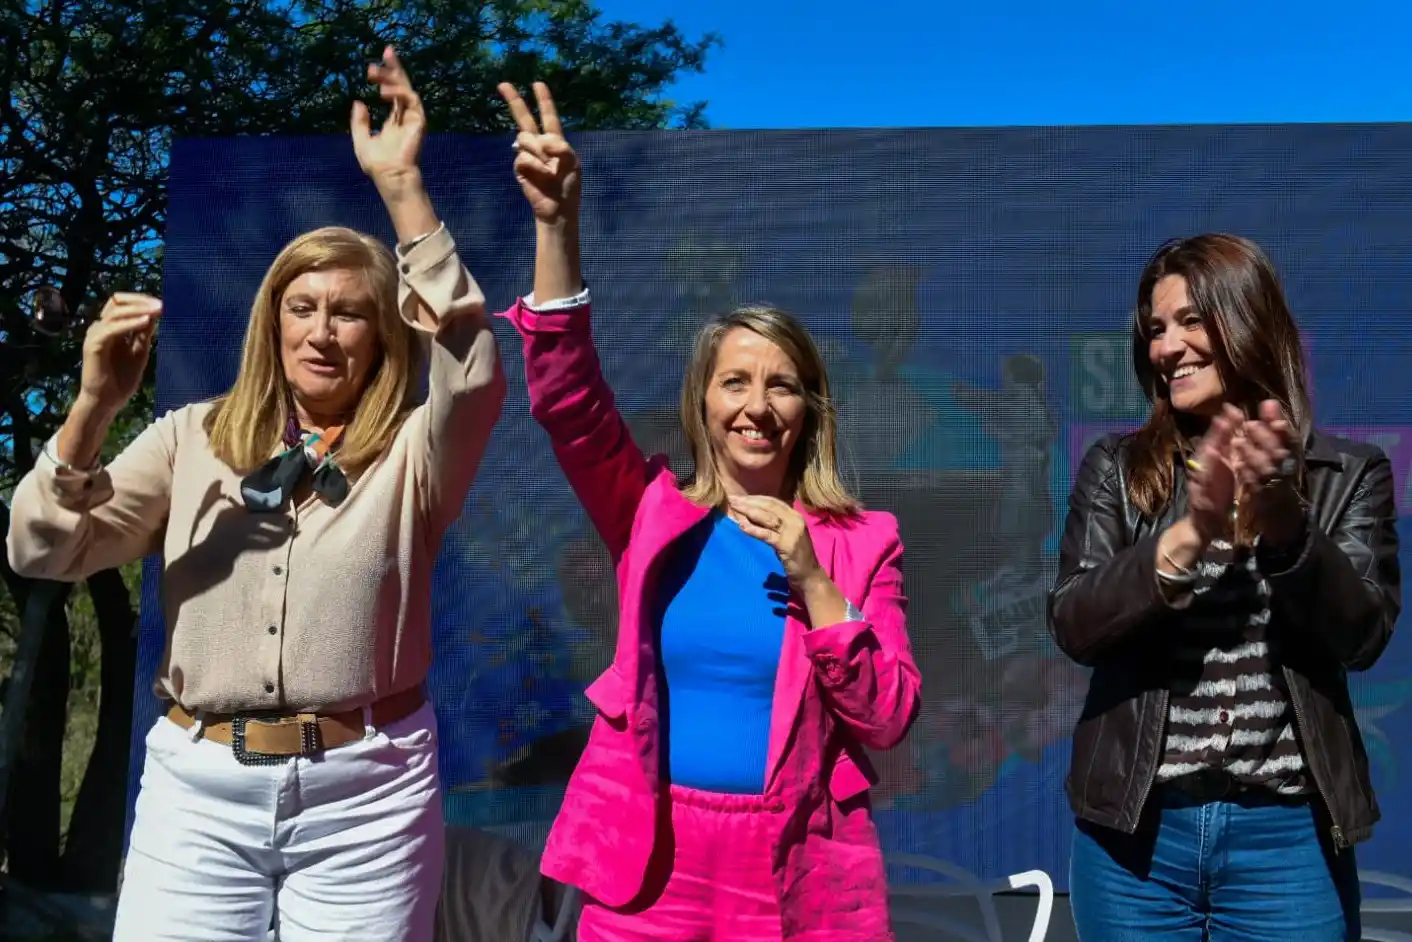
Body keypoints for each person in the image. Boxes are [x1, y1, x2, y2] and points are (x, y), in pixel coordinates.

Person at [6, 47, 505, 942]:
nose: (322, 332)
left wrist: (402, 189)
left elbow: (470, 367)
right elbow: (44, 550)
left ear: (382, 334)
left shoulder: (414, 454)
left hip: (370, 794)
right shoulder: (192, 437)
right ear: (271, 322)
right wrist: (92, 408)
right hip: (198, 792)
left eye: (349, 312)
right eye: (301, 307)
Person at [492, 82, 921, 941]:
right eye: (735, 382)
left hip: (792, 865)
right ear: (703, 401)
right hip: (652, 860)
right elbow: (569, 401)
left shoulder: (864, 543)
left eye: (782, 385)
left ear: (810, 410)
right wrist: (556, 228)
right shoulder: (650, 511)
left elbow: (888, 719)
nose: (757, 406)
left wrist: (815, 583)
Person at [1049, 233, 1400, 942]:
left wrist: (1284, 524)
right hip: (1138, 847)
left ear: (1247, 321)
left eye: (1189, 321)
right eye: (1155, 329)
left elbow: (1362, 636)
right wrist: (1191, 532)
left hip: (1286, 845)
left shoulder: (1348, 474)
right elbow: (1076, 623)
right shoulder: (1117, 468)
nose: (1167, 347)